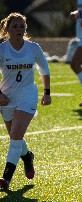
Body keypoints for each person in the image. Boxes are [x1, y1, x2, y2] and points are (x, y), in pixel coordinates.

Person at [0, 12, 51, 190]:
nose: (19, 29)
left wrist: (47, 92)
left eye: (22, 26)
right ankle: (27, 156)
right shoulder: (2, 49)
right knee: (16, 137)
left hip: (28, 96)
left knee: (15, 137)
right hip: (6, 99)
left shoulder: (33, 48)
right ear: (7, 29)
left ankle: (6, 178)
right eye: (15, 26)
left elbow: (44, 69)